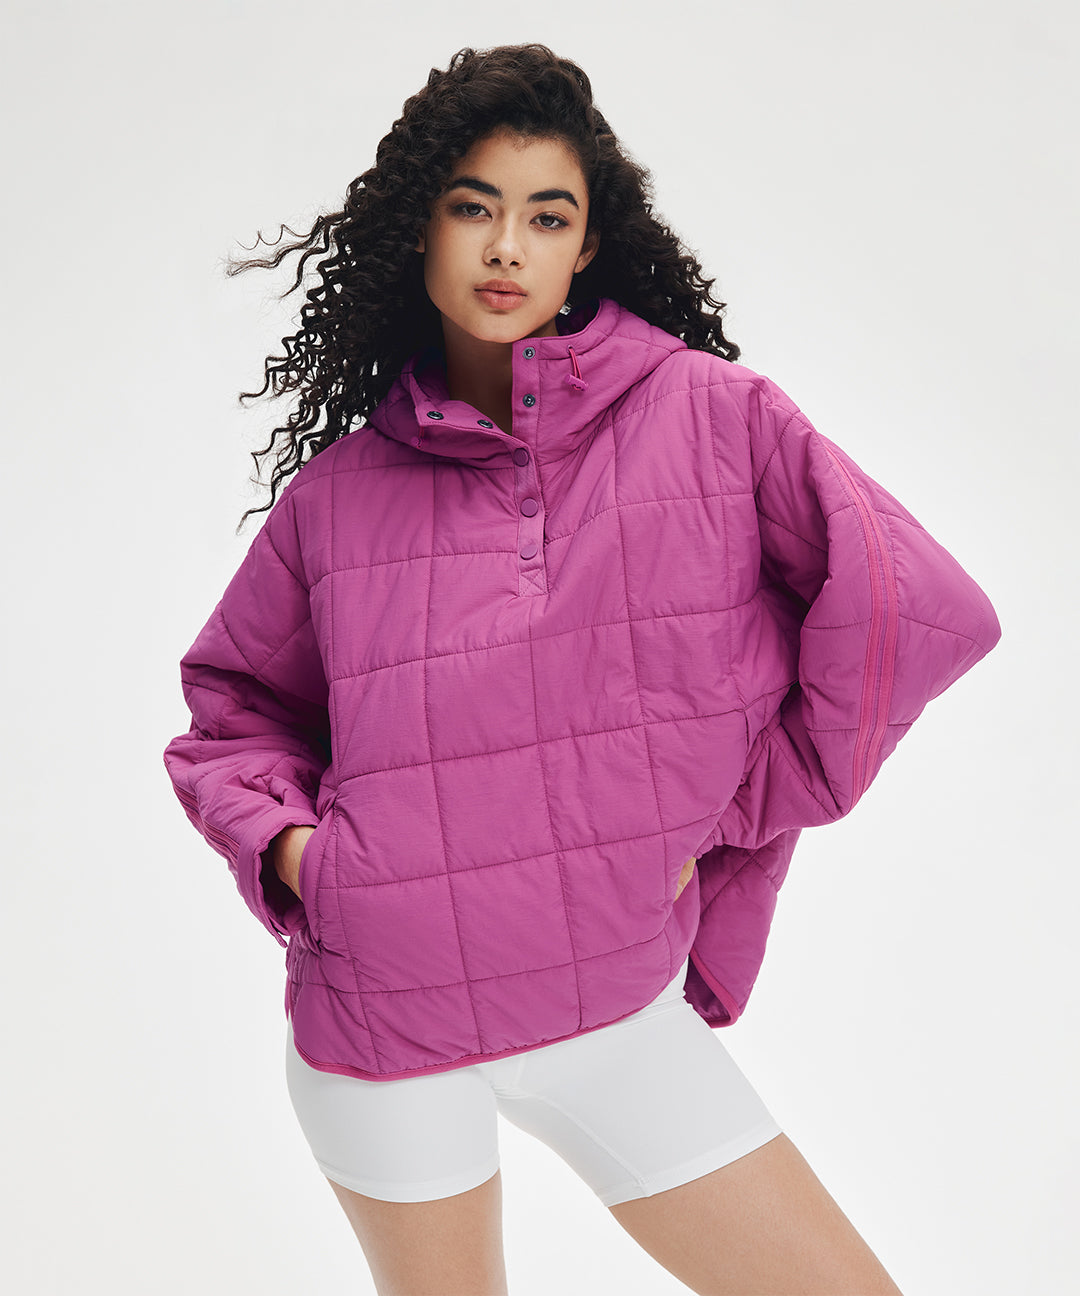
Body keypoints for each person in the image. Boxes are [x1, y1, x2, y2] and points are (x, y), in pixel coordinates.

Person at [162, 42, 1000, 1296]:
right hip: (383, 1027)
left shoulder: (714, 416)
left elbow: (918, 611)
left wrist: (728, 809)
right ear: (422, 228)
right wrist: (306, 861)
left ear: (587, 245)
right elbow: (233, 715)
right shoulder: (335, 499)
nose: (507, 248)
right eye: (474, 208)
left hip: (614, 1009)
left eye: (546, 216)